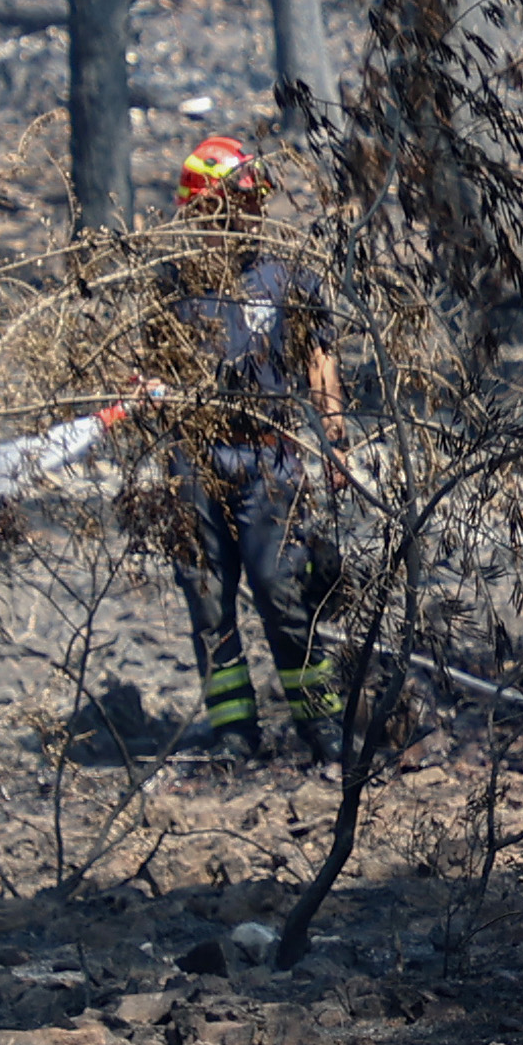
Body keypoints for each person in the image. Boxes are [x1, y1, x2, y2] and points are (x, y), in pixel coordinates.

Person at [152, 136, 351, 765]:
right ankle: (234, 735)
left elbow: (319, 354)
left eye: (251, 207)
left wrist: (335, 438)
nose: (243, 221)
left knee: (280, 590)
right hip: (194, 460)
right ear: (198, 212)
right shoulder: (170, 284)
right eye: (229, 210)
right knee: (208, 600)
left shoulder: (283, 274)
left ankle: (323, 729)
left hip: (268, 458)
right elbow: (150, 363)